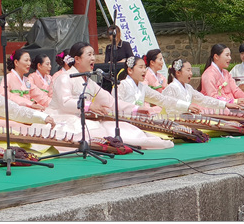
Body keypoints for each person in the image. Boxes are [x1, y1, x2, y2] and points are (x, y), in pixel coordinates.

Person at [46, 42, 174, 150]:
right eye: (89, 54)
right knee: (98, 131)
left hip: (85, 119)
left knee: (122, 128)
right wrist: (90, 106)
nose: (93, 58)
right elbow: (65, 103)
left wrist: (135, 109)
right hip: (63, 117)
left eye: (93, 54)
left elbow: (111, 102)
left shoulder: (89, 82)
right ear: (77, 59)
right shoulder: (64, 78)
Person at [115, 56, 201, 116]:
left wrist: (186, 105)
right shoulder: (121, 86)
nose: (144, 70)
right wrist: (137, 109)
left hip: (139, 122)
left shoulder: (143, 87)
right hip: (125, 123)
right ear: (130, 70)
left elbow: (162, 99)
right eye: (141, 67)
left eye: (145, 67)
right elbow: (115, 106)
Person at [161, 59, 240, 115]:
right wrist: (187, 108)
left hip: (186, 120)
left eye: (191, 70)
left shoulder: (188, 88)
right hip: (173, 122)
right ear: (178, 73)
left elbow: (203, 99)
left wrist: (225, 104)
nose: (191, 73)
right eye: (188, 70)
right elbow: (169, 108)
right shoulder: (171, 88)